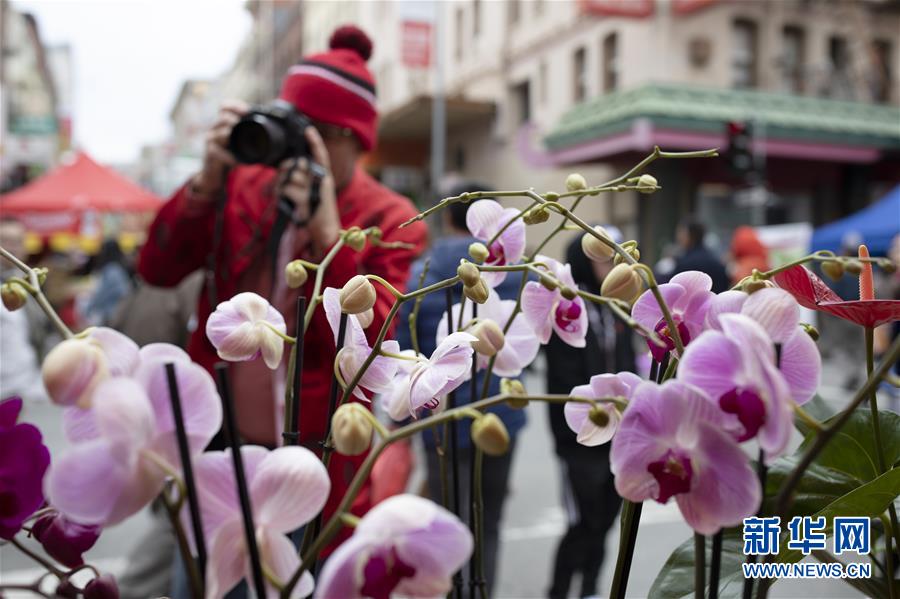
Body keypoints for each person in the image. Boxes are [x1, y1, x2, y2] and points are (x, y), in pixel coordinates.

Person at [137, 24, 427, 589]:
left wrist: (327, 231)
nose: (299, 145)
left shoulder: (390, 217)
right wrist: (204, 183)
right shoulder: (243, 186)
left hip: (310, 464)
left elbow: (371, 343)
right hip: (218, 448)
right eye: (292, 125)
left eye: (318, 132)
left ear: (356, 140)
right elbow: (157, 268)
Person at [395, 183, 526, 596]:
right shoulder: (511, 273)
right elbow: (523, 345)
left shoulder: (421, 272)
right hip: (498, 409)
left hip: (442, 416)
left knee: (448, 523)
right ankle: (481, 591)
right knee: (489, 519)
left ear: (447, 217)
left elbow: (404, 349)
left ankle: (452, 591)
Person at [545, 230, 636, 599]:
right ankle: (559, 591)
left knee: (604, 523)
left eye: (614, 257)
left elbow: (629, 363)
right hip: (579, 438)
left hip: (619, 438)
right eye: (602, 256)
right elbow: (562, 378)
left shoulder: (616, 308)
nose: (610, 264)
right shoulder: (567, 305)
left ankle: (592, 590)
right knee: (580, 522)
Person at [659, 217, 729, 293]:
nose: (678, 237)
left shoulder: (684, 264)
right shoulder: (716, 262)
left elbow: (669, 289)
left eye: (680, 233)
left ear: (689, 235)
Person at [83, 238, 133, 325]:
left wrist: (89, 308)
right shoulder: (119, 268)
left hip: (112, 314)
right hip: (120, 313)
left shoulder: (112, 270)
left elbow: (102, 293)